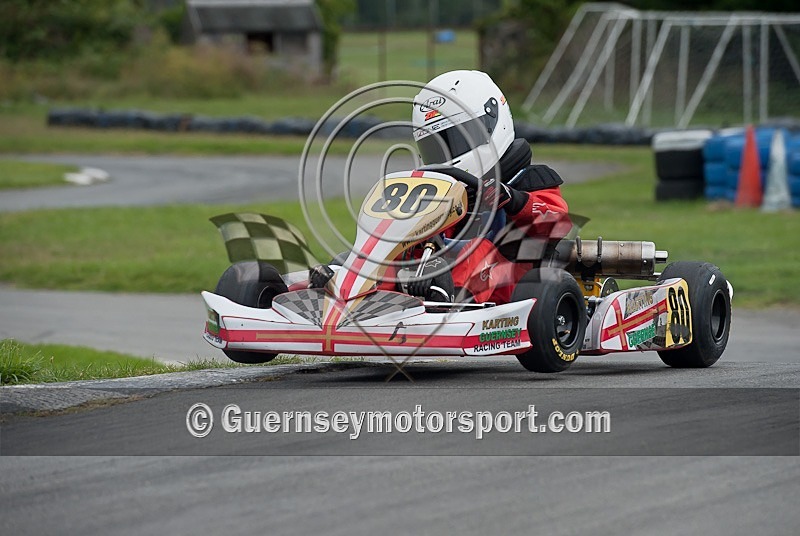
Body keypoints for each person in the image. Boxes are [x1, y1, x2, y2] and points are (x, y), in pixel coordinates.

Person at [410, 70, 572, 303]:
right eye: (434, 146)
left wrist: (514, 200)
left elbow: (558, 220)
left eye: (458, 139)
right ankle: (353, 296)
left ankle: (451, 303)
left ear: (492, 122)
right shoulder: (440, 192)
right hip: (442, 275)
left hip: (513, 290)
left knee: (473, 250)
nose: (447, 155)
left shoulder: (528, 180)